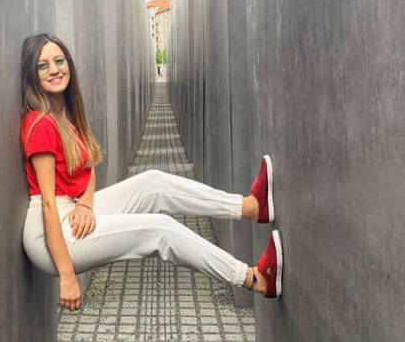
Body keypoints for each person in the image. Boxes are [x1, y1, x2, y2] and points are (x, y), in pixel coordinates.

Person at [21, 33, 283, 311]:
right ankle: (255, 279)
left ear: (69, 64)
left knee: (154, 183)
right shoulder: (40, 124)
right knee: (160, 230)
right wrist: (66, 275)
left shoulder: (66, 116)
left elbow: (89, 167)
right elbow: (48, 204)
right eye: (43, 65)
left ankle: (252, 207)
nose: (54, 70)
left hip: (71, 211)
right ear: (32, 75)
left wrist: (86, 204)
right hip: (48, 236)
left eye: (59, 61)